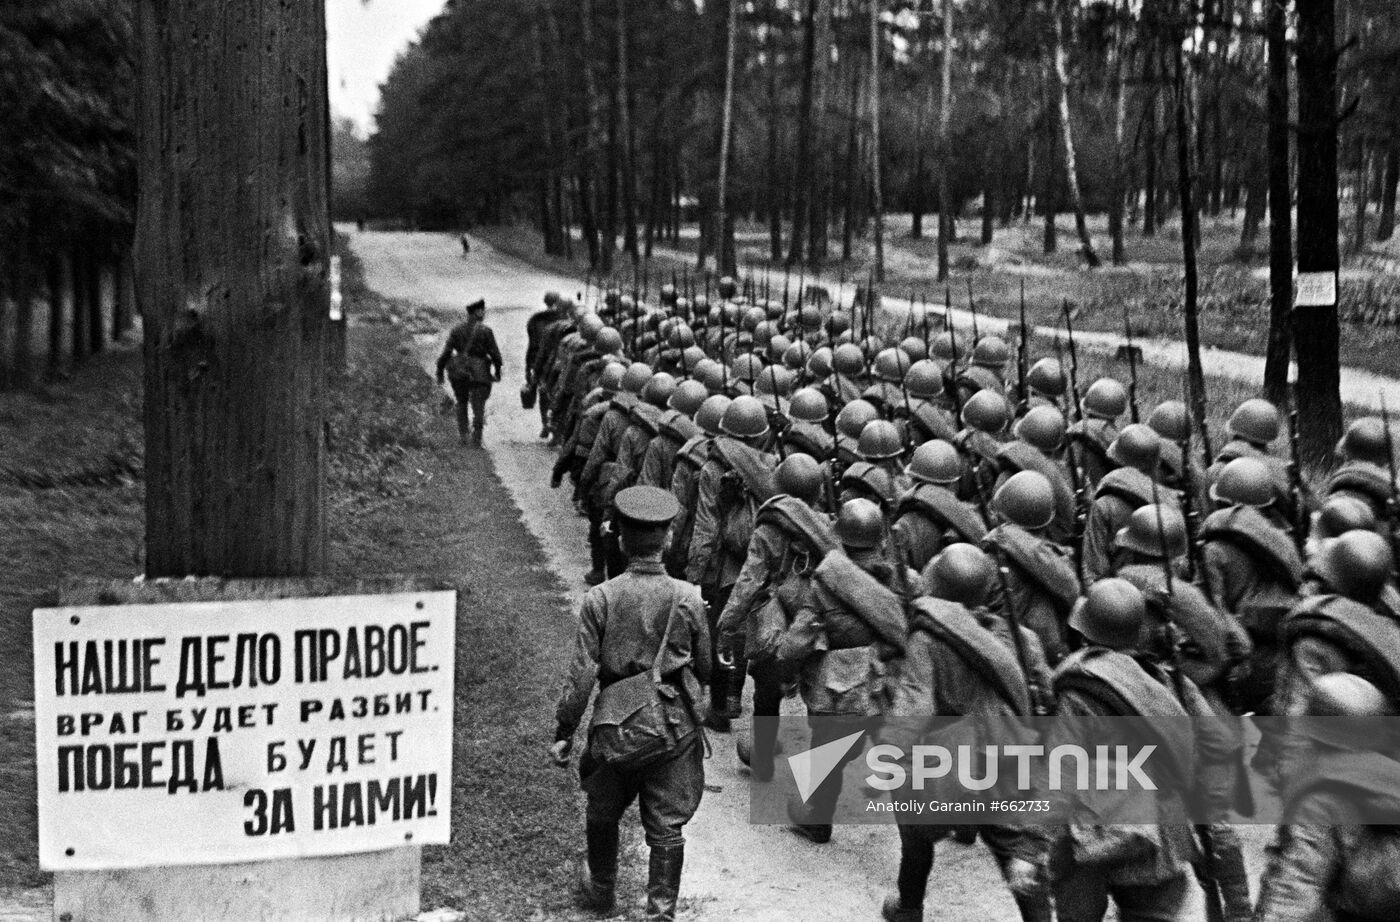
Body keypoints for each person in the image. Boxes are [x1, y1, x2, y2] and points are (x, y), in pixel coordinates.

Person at [551, 486, 711, 922]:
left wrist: (566, 733)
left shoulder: (599, 599)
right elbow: (707, 665)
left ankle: (601, 888)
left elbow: (582, 677)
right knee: (666, 827)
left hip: (614, 723)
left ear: (620, 539)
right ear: (669, 538)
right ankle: (661, 912)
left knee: (602, 808)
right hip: (673, 725)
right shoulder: (689, 597)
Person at [435, 298, 502, 447]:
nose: (484, 313)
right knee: (479, 405)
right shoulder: (486, 331)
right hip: (480, 372)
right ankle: (477, 437)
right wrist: (497, 371)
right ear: (477, 312)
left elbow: (446, 352)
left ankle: (463, 435)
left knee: (461, 401)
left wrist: (440, 370)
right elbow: (495, 354)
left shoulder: (456, 330)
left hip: (459, 371)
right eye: (482, 310)